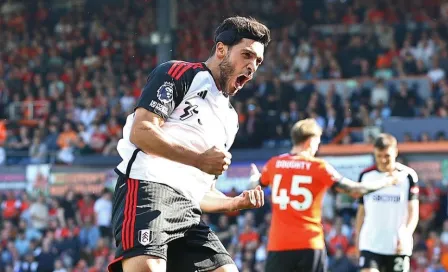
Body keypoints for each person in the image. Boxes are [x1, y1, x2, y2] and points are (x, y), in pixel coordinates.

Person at [107, 16, 271, 272]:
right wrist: (199, 159)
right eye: (246, 55)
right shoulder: (180, 73)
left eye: (257, 61)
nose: (252, 66)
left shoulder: (230, 120)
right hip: (147, 189)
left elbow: (202, 193)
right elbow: (142, 131)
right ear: (221, 50)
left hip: (188, 210)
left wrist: (234, 203)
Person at [249, 119, 401, 272]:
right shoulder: (319, 167)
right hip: (309, 244)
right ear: (310, 141)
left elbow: (255, 185)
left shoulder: (274, 164)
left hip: (279, 244)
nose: (317, 147)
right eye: (317, 142)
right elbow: (355, 190)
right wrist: (385, 182)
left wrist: (253, 178)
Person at [355, 134, 419, 272]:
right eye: (379, 156)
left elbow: (413, 212)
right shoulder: (365, 176)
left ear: (395, 151)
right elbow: (361, 211)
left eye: (387, 156)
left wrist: (406, 235)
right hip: (370, 243)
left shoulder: (408, 176)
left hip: (396, 245)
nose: (383, 160)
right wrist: (358, 240)